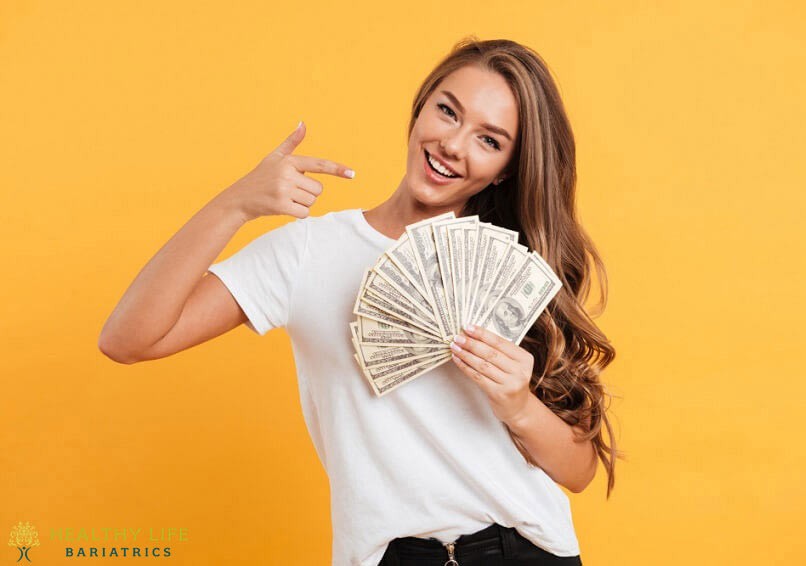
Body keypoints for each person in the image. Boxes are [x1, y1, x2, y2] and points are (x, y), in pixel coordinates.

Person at [99, 36, 622, 566]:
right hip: (385, 556)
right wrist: (236, 204)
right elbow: (127, 339)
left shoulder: (510, 268)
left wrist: (518, 404)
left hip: (523, 549)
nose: (453, 145)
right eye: (447, 112)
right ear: (420, 110)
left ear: (506, 168)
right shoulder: (307, 251)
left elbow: (577, 472)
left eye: (489, 140)